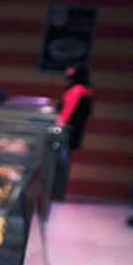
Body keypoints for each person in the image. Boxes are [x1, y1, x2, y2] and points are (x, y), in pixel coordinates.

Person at [55, 64, 93, 200]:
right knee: (64, 162)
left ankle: (56, 192)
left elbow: (66, 113)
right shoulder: (87, 91)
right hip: (75, 132)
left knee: (60, 162)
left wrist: (58, 128)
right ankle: (58, 192)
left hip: (66, 132)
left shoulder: (77, 90)